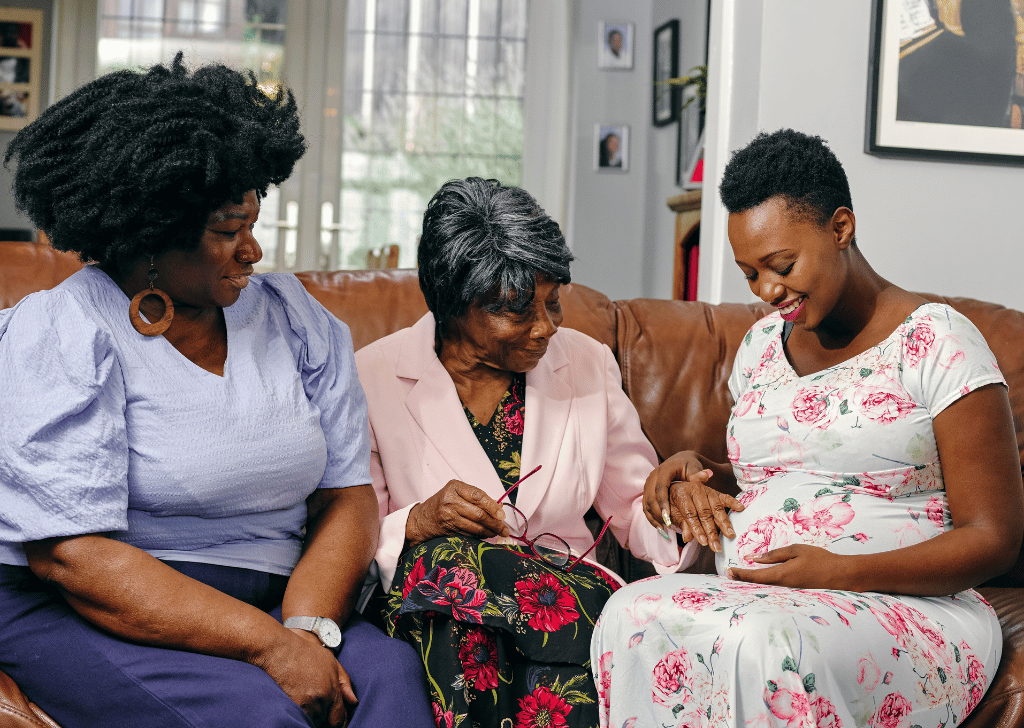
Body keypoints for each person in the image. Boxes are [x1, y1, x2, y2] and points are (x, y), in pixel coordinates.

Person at [0, 54, 434, 728]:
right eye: (229, 232)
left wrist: (308, 629)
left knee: (390, 677)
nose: (253, 251)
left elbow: (346, 497)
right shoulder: (62, 330)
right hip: (88, 607)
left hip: (281, 602)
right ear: (152, 236)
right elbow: (72, 556)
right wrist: (267, 649)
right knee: (262, 715)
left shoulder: (296, 320)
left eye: (253, 225)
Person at [591, 129, 1024, 728]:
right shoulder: (763, 344)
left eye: (781, 265)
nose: (768, 292)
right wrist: (693, 469)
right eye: (749, 275)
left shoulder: (939, 341)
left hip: (910, 607)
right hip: (768, 597)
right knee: (630, 613)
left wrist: (840, 572)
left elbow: (995, 535)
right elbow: (781, 475)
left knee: (771, 647)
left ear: (840, 228)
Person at [355, 177, 695, 728]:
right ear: (453, 304)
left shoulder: (586, 361)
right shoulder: (371, 377)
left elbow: (634, 506)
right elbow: (354, 529)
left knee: (450, 582)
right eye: (516, 311)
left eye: (553, 302)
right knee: (443, 572)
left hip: (567, 595)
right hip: (439, 605)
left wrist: (675, 507)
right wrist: (417, 521)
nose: (544, 329)